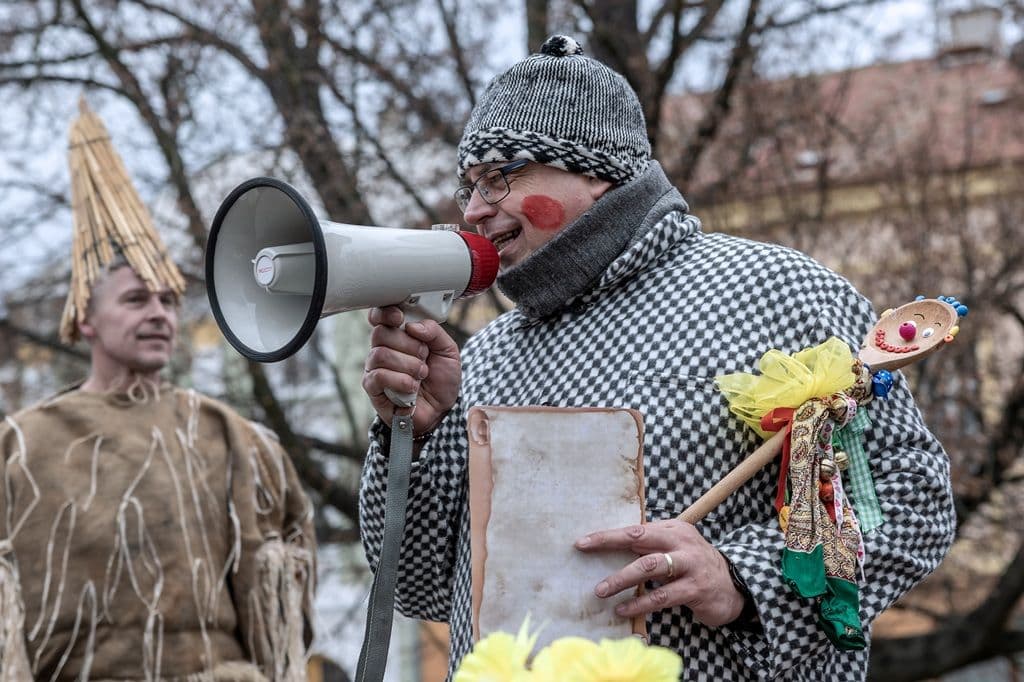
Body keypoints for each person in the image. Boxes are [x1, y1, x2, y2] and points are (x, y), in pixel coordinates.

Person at [359, 35, 955, 680]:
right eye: (469, 184)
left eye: (499, 176)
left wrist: (741, 580)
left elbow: (911, 500)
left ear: (597, 171)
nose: (473, 210)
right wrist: (416, 438)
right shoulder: (489, 353)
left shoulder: (777, 291)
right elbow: (417, 589)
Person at [0, 102, 315, 682]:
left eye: (169, 301)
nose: (160, 315)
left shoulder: (235, 439)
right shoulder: (20, 446)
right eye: (136, 299)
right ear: (84, 320)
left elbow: (284, 597)